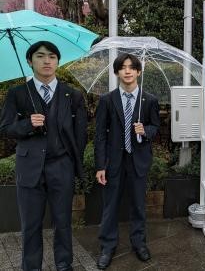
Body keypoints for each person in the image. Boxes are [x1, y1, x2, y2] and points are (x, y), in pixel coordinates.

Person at [0, 41, 87, 271]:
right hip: (29, 168)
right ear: (30, 61)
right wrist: (27, 124)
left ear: (58, 61)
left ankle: (64, 264)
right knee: (30, 225)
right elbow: (6, 127)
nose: (47, 61)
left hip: (62, 166)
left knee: (63, 222)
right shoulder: (17, 93)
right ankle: (31, 267)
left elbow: (80, 135)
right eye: (40, 56)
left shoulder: (72, 94)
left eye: (52, 56)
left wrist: (72, 162)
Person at [95, 53, 160, 269]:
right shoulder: (107, 100)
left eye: (132, 67)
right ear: (117, 72)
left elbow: (156, 127)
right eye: (122, 67)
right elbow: (100, 135)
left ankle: (139, 242)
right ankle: (107, 246)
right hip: (113, 162)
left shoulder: (149, 100)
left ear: (139, 71)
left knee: (138, 205)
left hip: (138, 160)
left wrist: (145, 131)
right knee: (110, 206)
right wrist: (100, 166)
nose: (128, 71)